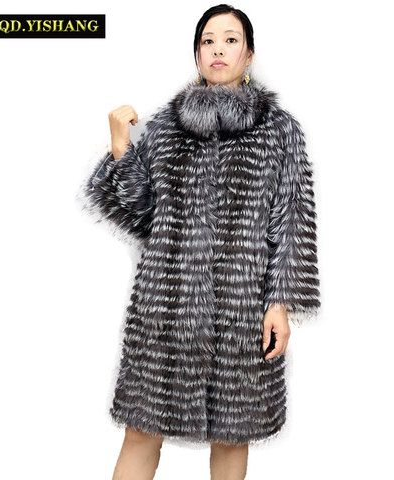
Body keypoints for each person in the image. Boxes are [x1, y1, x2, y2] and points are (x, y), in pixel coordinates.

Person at [77, 4, 321, 480]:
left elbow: (294, 218)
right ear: (196, 54)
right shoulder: (166, 127)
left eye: (230, 40)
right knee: (141, 430)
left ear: (249, 54)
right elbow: (139, 215)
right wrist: (121, 147)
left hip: (243, 308)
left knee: (232, 435)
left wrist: (281, 303)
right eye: (208, 40)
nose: (218, 49)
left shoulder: (279, 130)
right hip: (166, 308)